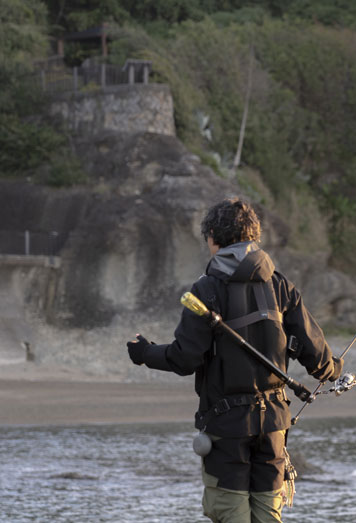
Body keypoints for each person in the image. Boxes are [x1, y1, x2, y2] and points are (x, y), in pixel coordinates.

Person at [127, 197, 343, 523]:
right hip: (274, 428)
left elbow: (185, 358)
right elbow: (318, 358)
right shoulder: (280, 285)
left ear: (213, 237)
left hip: (226, 428)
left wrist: (145, 353)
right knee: (268, 516)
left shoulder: (206, 289)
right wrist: (333, 369)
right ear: (253, 236)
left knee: (230, 513)